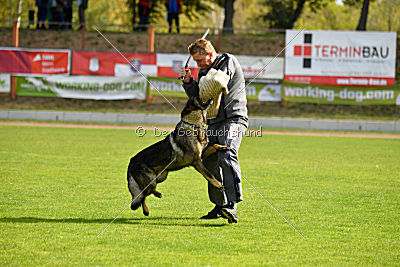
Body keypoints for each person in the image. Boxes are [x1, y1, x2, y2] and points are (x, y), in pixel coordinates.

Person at [179, 39, 248, 223]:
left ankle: (232, 205)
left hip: (234, 119)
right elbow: (199, 98)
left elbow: (216, 82)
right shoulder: (203, 71)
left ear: (210, 54)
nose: (198, 65)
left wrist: (200, 83)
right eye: (195, 61)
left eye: (200, 60)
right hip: (213, 123)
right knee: (207, 160)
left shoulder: (227, 60)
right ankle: (220, 205)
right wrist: (188, 82)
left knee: (226, 152)